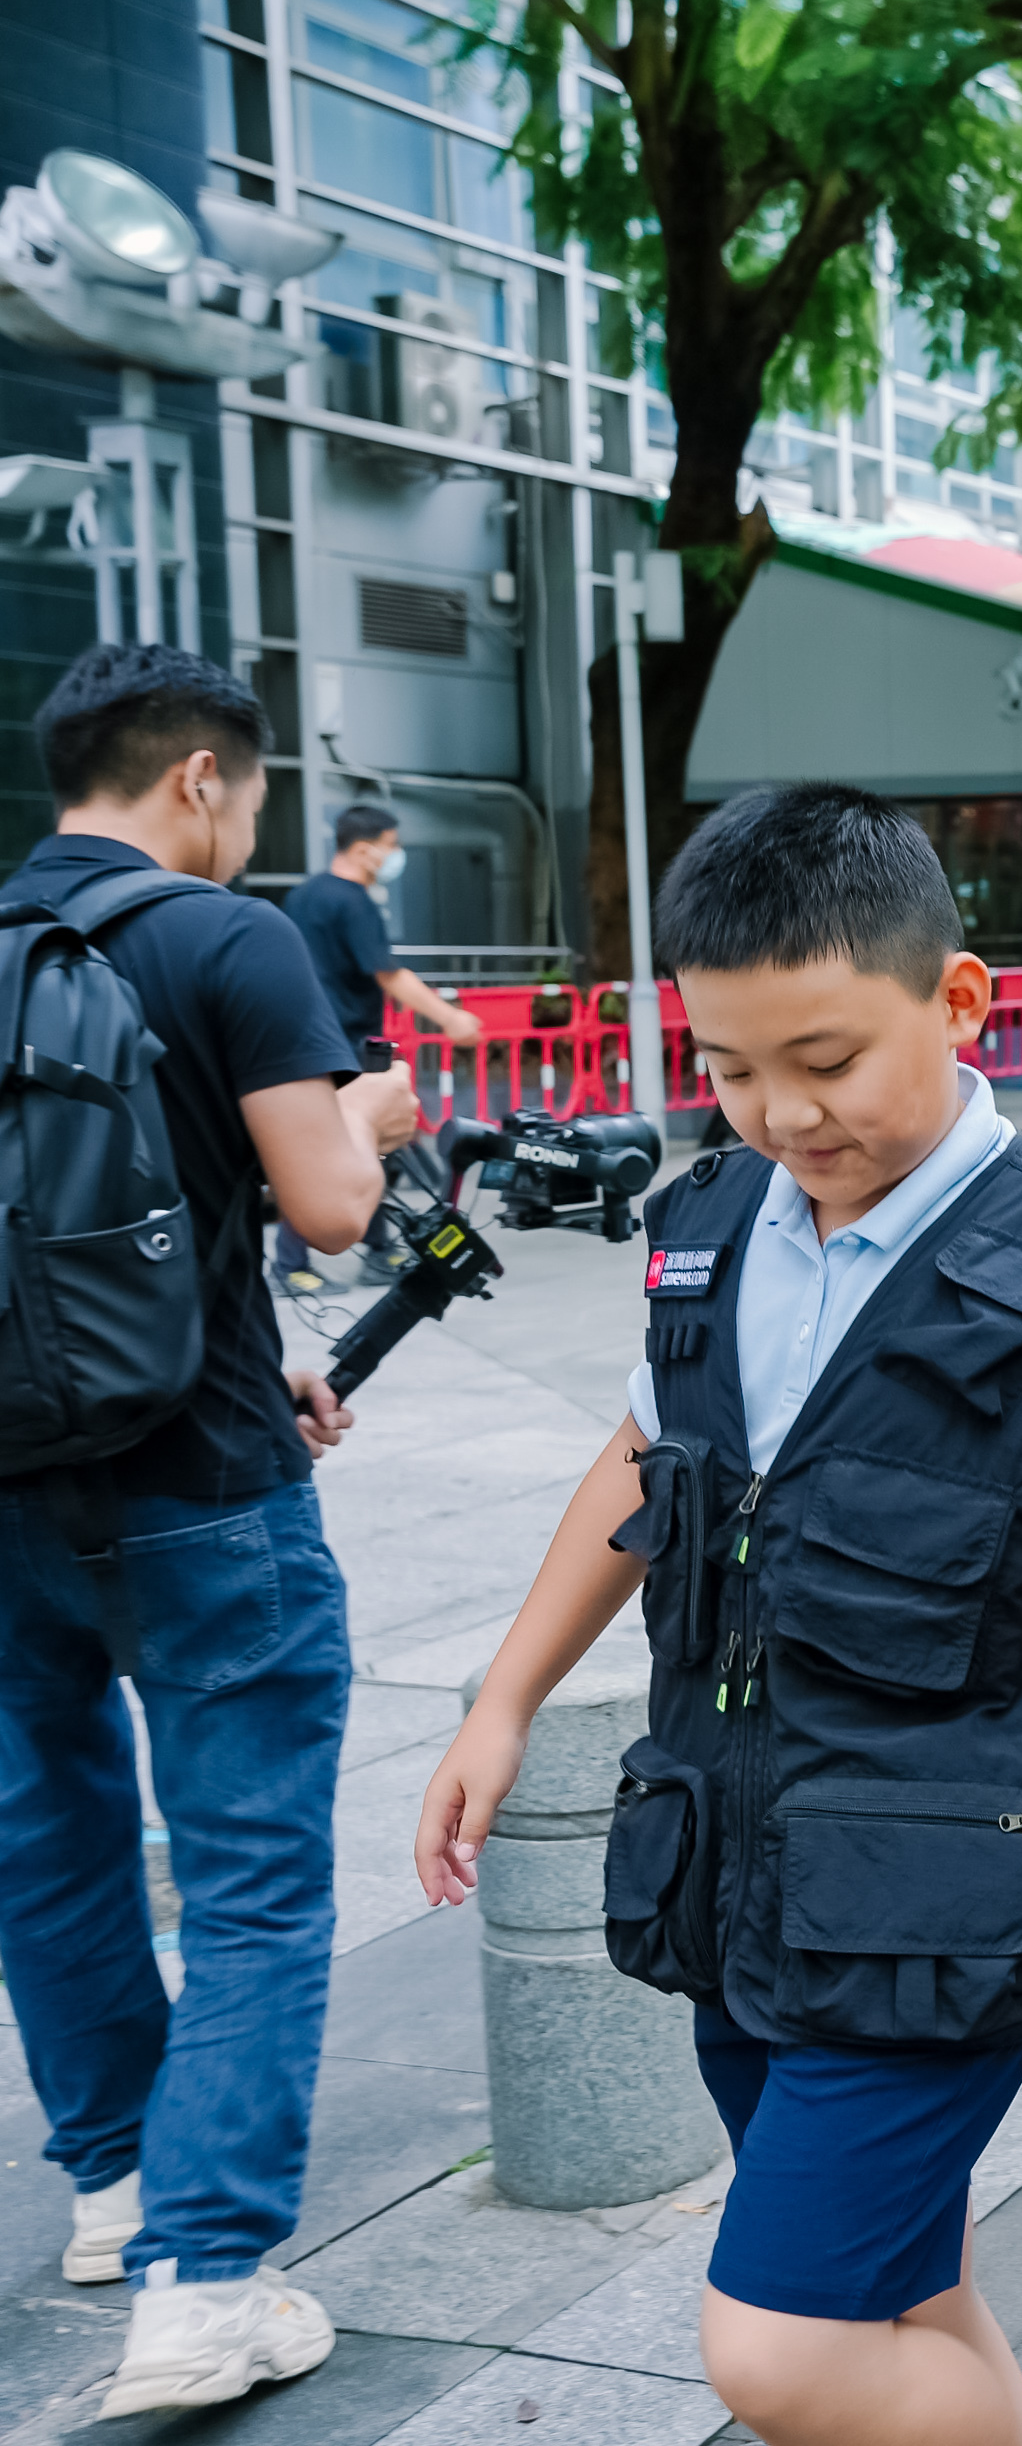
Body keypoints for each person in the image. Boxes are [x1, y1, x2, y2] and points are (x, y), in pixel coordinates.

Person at [407, 784, 1022, 2446]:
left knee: (782, 2350)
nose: (780, 1112)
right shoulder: (707, 1224)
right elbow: (646, 1457)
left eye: (824, 1059)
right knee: (902, 2290)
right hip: (737, 1877)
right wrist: (506, 1699)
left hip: (944, 1906)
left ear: (958, 1003)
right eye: (731, 1068)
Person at [0, 643, 420, 2413]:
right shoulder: (223, 938)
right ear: (197, 778)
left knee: (50, 1847)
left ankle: (115, 2195)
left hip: (10, 1486)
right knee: (250, 1877)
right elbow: (329, 1207)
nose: (248, 827)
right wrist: (370, 1115)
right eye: (248, 796)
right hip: (206, 1492)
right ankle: (206, 2284)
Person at [274, 801, 480, 1289]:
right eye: (392, 845)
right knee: (346, 1148)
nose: (396, 855)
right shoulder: (354, 902)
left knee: (357, 1147)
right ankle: (290, 1264)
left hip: (307, 1037)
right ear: (364, 850)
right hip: (345, 1042)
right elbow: (388, 973)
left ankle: (377, 1248)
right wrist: (450, 1018)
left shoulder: (303, 895)